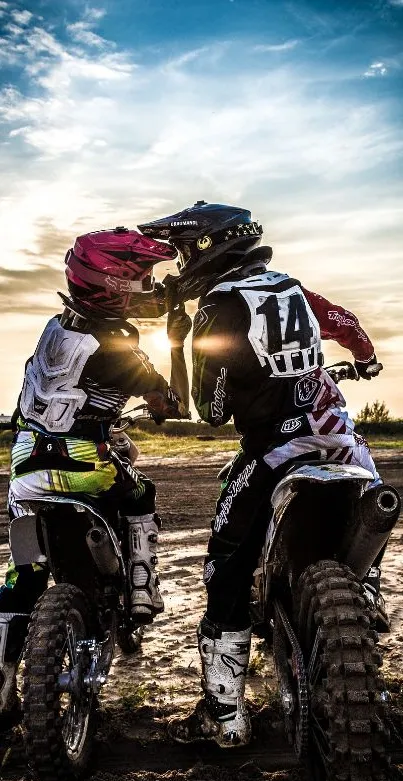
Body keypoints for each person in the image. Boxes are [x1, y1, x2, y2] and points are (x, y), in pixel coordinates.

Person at [139, 201, 387, 748]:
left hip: (274, 451)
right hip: (342, 444)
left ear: (208, 248)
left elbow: (212, 410)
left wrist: (182, 344)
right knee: (370, 516)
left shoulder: (220, 306)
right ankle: (367, 597)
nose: (179, 265)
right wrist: (364, 359)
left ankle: (225, 716)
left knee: (226, 566)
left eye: (182, 251)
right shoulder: (292, 287)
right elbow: (346, 325)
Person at [0, 225, 187, 718]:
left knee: (26, 571)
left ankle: (2, 678)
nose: (149, 286)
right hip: (84, 464)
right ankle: (143, 586)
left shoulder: (56, 331)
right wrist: (171, 360)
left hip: (26, 466)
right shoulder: (117, 348)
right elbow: (167, 402)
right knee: (141, 494)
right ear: (114, 283)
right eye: (141, 277)